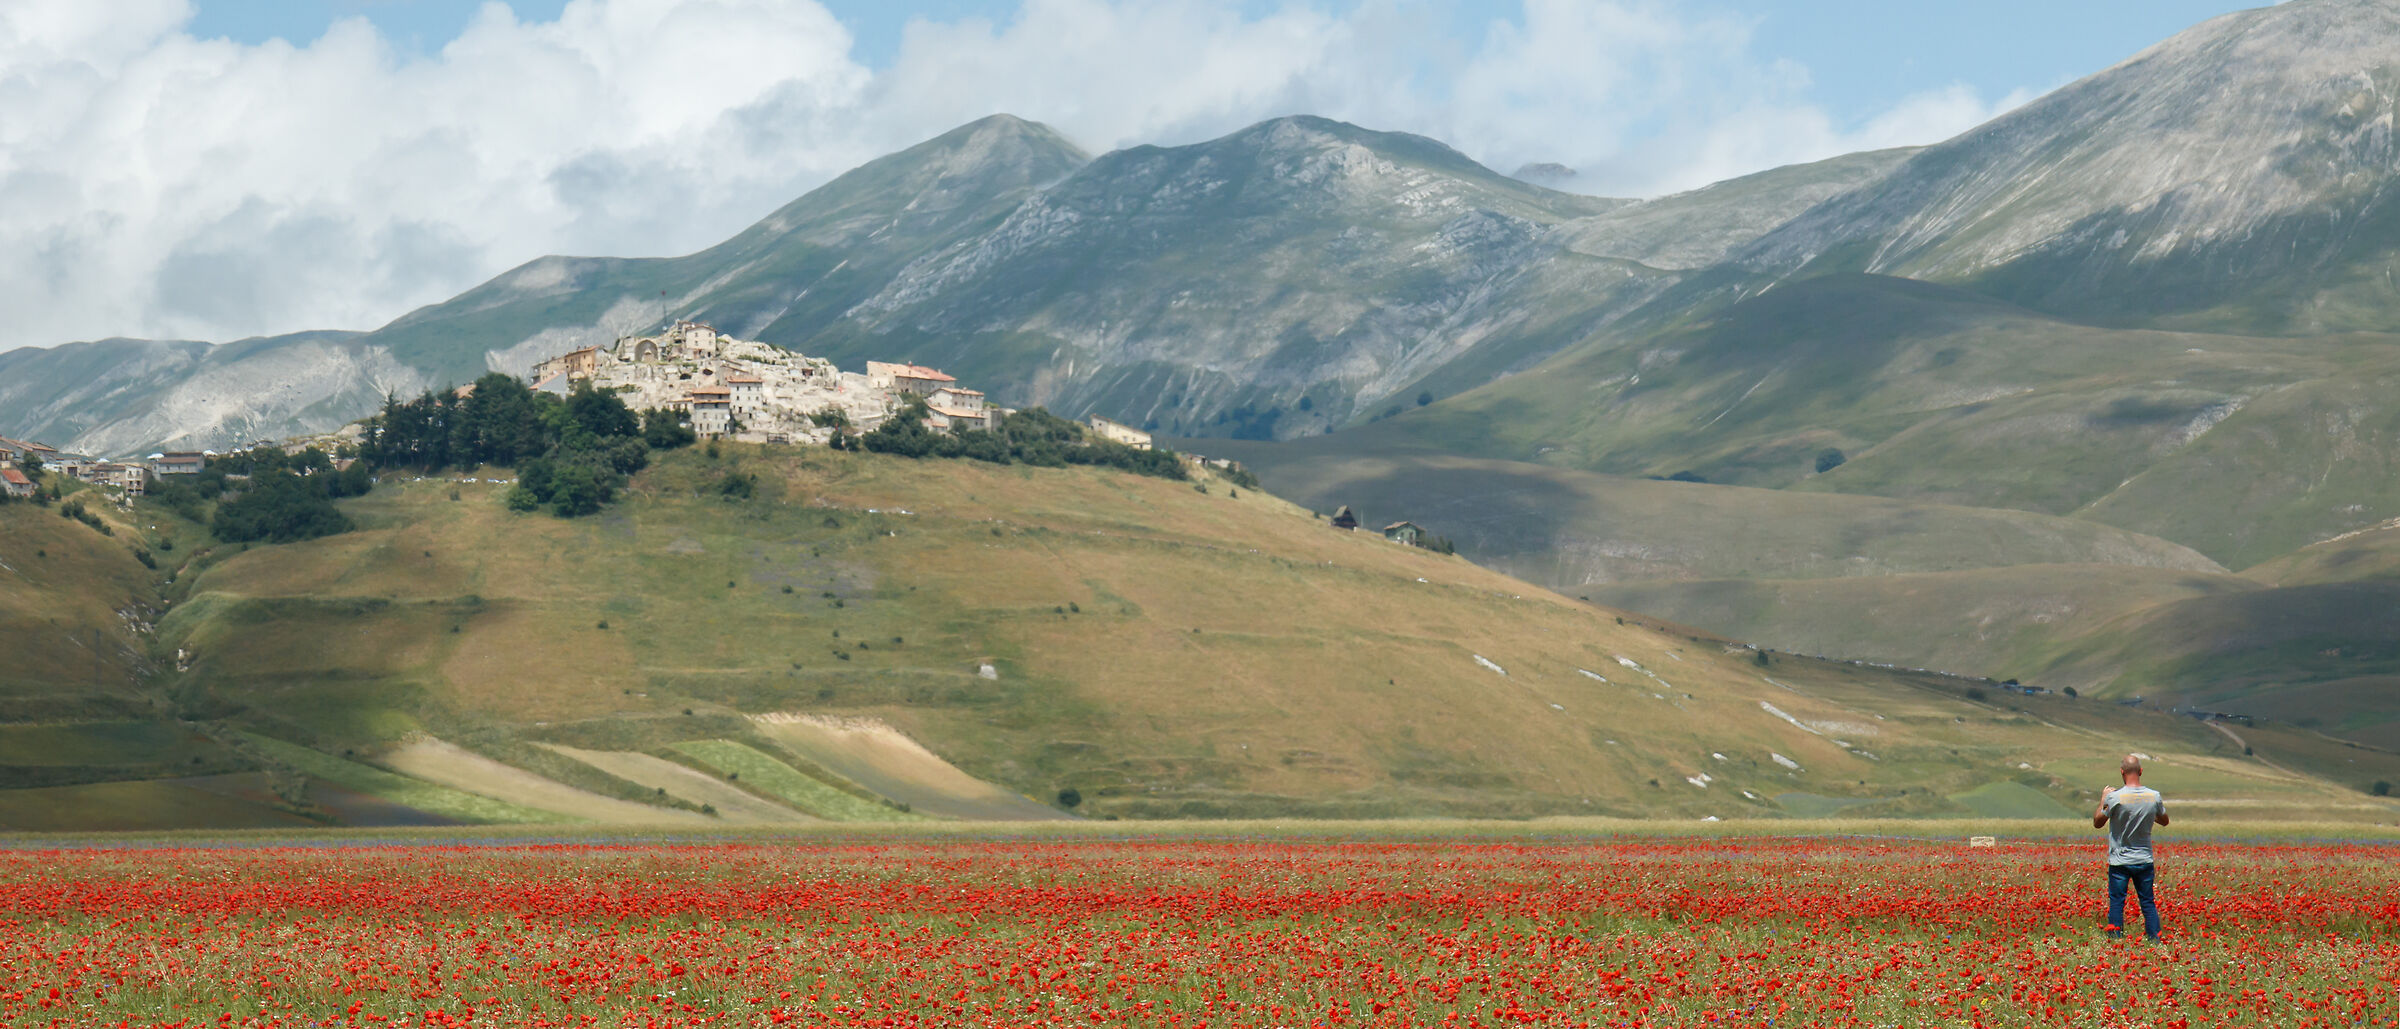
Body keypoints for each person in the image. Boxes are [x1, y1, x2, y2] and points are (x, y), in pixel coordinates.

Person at [2093, 754, 2168, 940]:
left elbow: (2098, 822)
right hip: (2144, 859)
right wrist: (2147, 812)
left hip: (2119, 861)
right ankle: (2155, 940)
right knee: (2148, 902)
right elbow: (2164, 820)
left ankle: (2116, 941)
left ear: (2122, 772)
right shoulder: (2154, 796)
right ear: (2141, 771)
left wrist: (2103, 799)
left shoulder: (2115, 798)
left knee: (2117, 902)